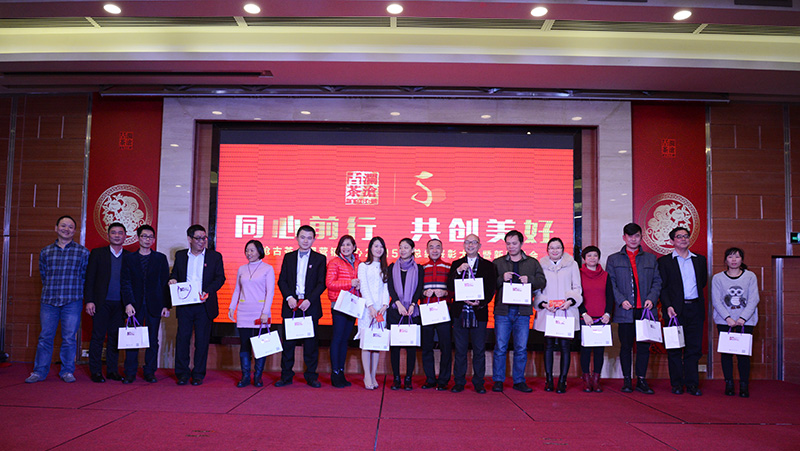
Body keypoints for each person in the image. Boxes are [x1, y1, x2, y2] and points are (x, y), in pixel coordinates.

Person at [26, 215, 90, 383]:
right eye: (63, 226)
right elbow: (44, 275)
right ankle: (39, 371)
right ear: (56, 228)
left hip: (72, 300)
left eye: (70, 227)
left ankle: (67, 371)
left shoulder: (83, 252)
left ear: (74, 231)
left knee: (69, 338)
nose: (66, 229)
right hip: (49, 300)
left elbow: (85, 277)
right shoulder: (46, 251)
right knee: (45, 337)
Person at [607, 222, 662, 394]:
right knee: (626, 346)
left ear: (641, 237)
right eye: (630, 236)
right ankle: (626, 380)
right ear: (624, 238)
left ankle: (641, 380)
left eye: (636, 236)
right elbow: (611, 284)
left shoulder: (650, 258)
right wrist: (621, 300)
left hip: (645, 310)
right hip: (625, 310)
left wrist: (652, 298)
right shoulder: (614, 259)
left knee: (644, 347)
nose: (633, 239)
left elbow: (657, 281)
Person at [169, 224, 226, 386]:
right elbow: (175, 274)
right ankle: (182, 373)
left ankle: (198, 374)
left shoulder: (214, 256)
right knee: (182, 339)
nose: (202, 241)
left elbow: (220, 278)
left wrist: (208, 291)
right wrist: (172, 279)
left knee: (202, 341)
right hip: (185, 304)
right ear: (189, 239)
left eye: (204, 238)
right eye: (198, 238)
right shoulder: (181, 256)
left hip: (204, 304)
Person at [492, 229, 546, 393]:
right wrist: (501, 279)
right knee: (500, 347)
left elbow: (542, 281)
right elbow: (489, 284)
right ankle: (498, 380)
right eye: (508, 244)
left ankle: (519, 380)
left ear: (521, 243)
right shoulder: (498, 262)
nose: (511, 246)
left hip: (522, 311)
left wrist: (530, 280)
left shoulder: (532, 262)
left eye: (514, 243)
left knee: (521, 348)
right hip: (503, 311)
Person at [658, 227, 707, 396]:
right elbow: (662, 287)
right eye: (679, 237)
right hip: (674, 311)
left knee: (694, 348)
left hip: (695, 308)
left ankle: (692, 384)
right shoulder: (664, 262)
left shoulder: (699, 260)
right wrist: (668, 305)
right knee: (675, 348)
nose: (683, 239)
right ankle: (677, 384)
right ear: (672, 241)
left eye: (686, 236)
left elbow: (702, 282)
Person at [276, 225, 327, 388]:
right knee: (288, 344)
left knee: (311, 344)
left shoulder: (320, 259)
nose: (305, 240)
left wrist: (309, 300)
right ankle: (286, 375)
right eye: (303, 237)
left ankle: (311, 376)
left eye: (309, 238)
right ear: (297, 238)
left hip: (309, 306)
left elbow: (321, 283)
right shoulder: (289, 257)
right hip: (291, 305)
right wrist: (289, 297)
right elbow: (282, 280)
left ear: (314, 240)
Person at [446, 234, 497, 394]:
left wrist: (480, 303)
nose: (470, 245)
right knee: (460, 350)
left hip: (478, 313)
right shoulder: (456, 264)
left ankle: (479, 382)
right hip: (460, 312)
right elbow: (450, 286)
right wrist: (457, 272)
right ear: (463, 245)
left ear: (479, 246)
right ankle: (459, 382)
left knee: (479, 349)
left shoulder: (488, 266)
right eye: (467, 242)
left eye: (474, 242)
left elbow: (491, 289)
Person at [121, 225, 171, 384]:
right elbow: (125, 282)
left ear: (154, 240)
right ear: (138, 238)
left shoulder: (160, 258)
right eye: (144, 236)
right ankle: (130, 372)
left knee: (152, 340)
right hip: (134, 306)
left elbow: (165, 283)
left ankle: (150, 371)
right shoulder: (129, 258)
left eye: (150, 237)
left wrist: (166, 305)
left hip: (155, 305)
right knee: (132, 340)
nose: (147, 239)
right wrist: (128, 303)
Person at [533, 237, 582, 394]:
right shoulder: (541, 264)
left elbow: (577, 287)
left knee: (565, 346)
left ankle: (562, 380)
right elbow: (537, 289)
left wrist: (570, 301)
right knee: (548, 346)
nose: (555, 250)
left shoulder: (572, 264)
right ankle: (548, 379)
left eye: (558, 248)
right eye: (552, 248)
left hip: (566, 310)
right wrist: (543, 303)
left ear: (563, 249)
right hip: (549, 310)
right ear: (547, 250)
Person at [84, 222, 129, 383]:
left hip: (120, 305)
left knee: (115, 339)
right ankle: (96, 371)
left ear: (125, 236)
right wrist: (89, 300)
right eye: (113, 232)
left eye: (120, 233)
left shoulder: (129, 256)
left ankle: (112, 371)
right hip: (101, 303)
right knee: (97, 337)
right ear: (108, 235)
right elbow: (89, 279)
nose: (117, 235)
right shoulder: (97, 253)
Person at [712, 247, 759, 398]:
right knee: (726, 354)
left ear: (742, 260)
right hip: (725, 321)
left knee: (743, 355)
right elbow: (716, 301)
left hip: (746, 322)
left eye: (737, 257)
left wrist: (742, 318)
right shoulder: (718, 278)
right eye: (730, 257)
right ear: (725, 260)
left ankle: (744, 385)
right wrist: (728, 318)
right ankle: (729, 384)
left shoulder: (750, 276)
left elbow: (754, 299)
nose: (733, 260)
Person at [228, 239, 274, 388]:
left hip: (260, 312)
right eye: (247, 250)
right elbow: (237, 290)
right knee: (245, 345)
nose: (249, 253)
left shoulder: (268, 269)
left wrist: (265, 312)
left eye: (252, 250)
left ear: (260, 251)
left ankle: (258, 377)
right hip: (244, 312)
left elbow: (270, 292)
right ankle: (245, 377)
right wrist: (232, 307)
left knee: (260, 346)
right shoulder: (242, 269)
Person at [387, 237, 424, 391]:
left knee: (411, 347)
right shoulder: (392, 267)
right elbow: (390, 287)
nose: (402, 250)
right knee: (395, 346)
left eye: (406, 247)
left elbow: (419, 288)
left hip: (412, 312)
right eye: (401, 247)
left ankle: (408, 378)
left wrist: (413, 304)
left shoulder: (418, 268)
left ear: (413, 250)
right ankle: (396, 378)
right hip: (395, 310)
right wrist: (398, 304)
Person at [326, 235, 361, 388]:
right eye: (343, 245)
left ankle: (341, 371)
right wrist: (350, 283)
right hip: (339, 304)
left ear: (354, 247)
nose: (346, 247)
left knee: (345, 339)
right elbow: (329, 283)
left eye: (348, 244)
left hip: (353, 305)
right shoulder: (334, 262)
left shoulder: (359, 263)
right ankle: (335, 373)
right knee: (337, 338)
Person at [577, 245, 613, 393]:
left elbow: (610, 297)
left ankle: (596, 380)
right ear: (584, 259)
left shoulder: (605, 275)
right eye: (589, 255)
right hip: (585, 318)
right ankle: (586, 380)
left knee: (599, 351)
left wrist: (607, 314)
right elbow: (576, 296)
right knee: (585, 351)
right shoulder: (578, 274)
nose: (592, 258)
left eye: (595, 255)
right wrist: (584, 314)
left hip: (602, 319)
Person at [356, 236, 390, 390]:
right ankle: (367, 376)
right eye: (376, 246)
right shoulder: (363, 266)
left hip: (381, 310)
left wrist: (384, 305)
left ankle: (374, 375)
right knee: (366, 342)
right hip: (367, 309)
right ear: (370, 248)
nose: (378, 249)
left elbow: (386, 288)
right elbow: (363, 287)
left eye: (381, 246)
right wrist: (370, 306)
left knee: (376, 342)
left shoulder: (385, 267)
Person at [420, 238, 452, 390]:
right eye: (431, 247)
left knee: (446, 347)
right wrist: (423, 292)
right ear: (427, 250)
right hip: (426, 312)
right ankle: (430, 379)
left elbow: (455, 289)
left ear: (442, 250)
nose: (434, 250)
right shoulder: (421, 268)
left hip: (444, 312)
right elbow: (415, 289)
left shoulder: (449, 267)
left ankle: (444, 380)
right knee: (427, 347)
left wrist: (445, 292)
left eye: (437, 247)